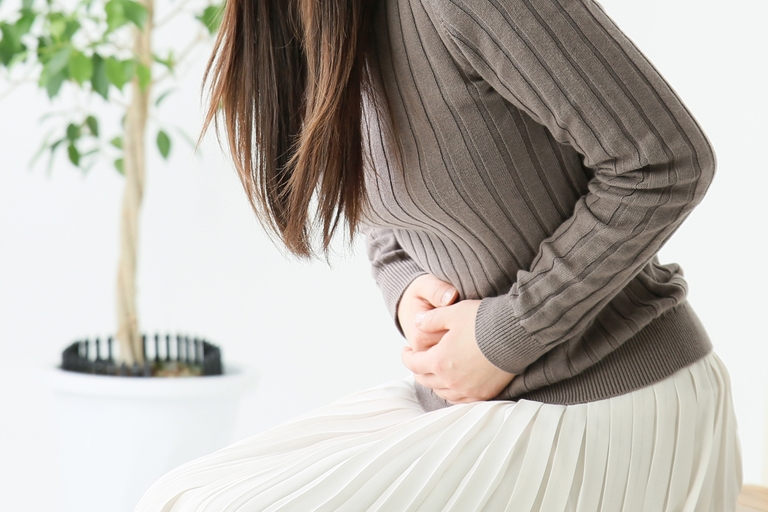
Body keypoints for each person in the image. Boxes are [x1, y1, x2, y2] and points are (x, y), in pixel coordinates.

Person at [135, 0, 743, 509]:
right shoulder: (307, 22)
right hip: (475, 407)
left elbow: (664, 161)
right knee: (178, 496)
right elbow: (384, 208)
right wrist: (406, 290)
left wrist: (508, 334)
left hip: (608, 401)